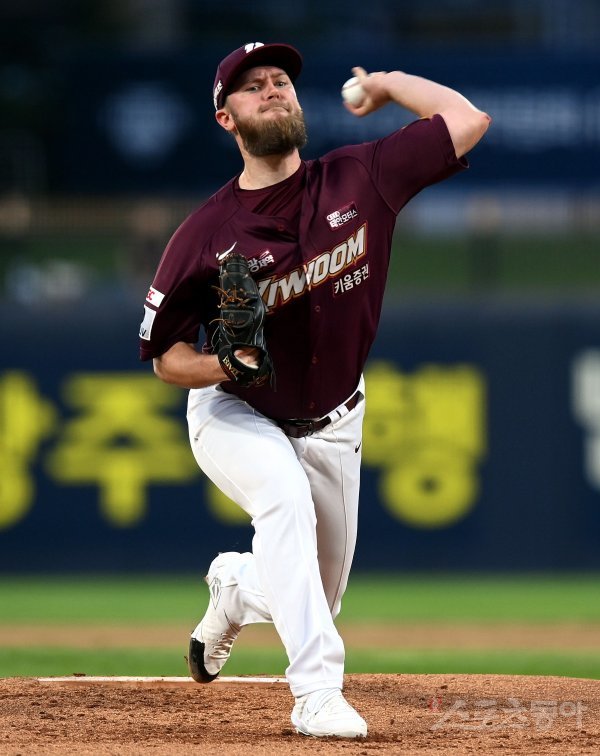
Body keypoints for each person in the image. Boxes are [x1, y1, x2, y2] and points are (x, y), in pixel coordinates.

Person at [139, 41, 490, 738]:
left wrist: (388, 82)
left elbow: (467, 120)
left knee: (315, 598)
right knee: (284, 500)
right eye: (252, 87)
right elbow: (166, 359)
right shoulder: (205, 234)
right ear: (226, 119)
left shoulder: (362, 177)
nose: (272, 89)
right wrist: (223, 367)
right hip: (237, 410)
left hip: (334, 420)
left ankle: (238, 588)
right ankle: (316, 695)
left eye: (281, 81)